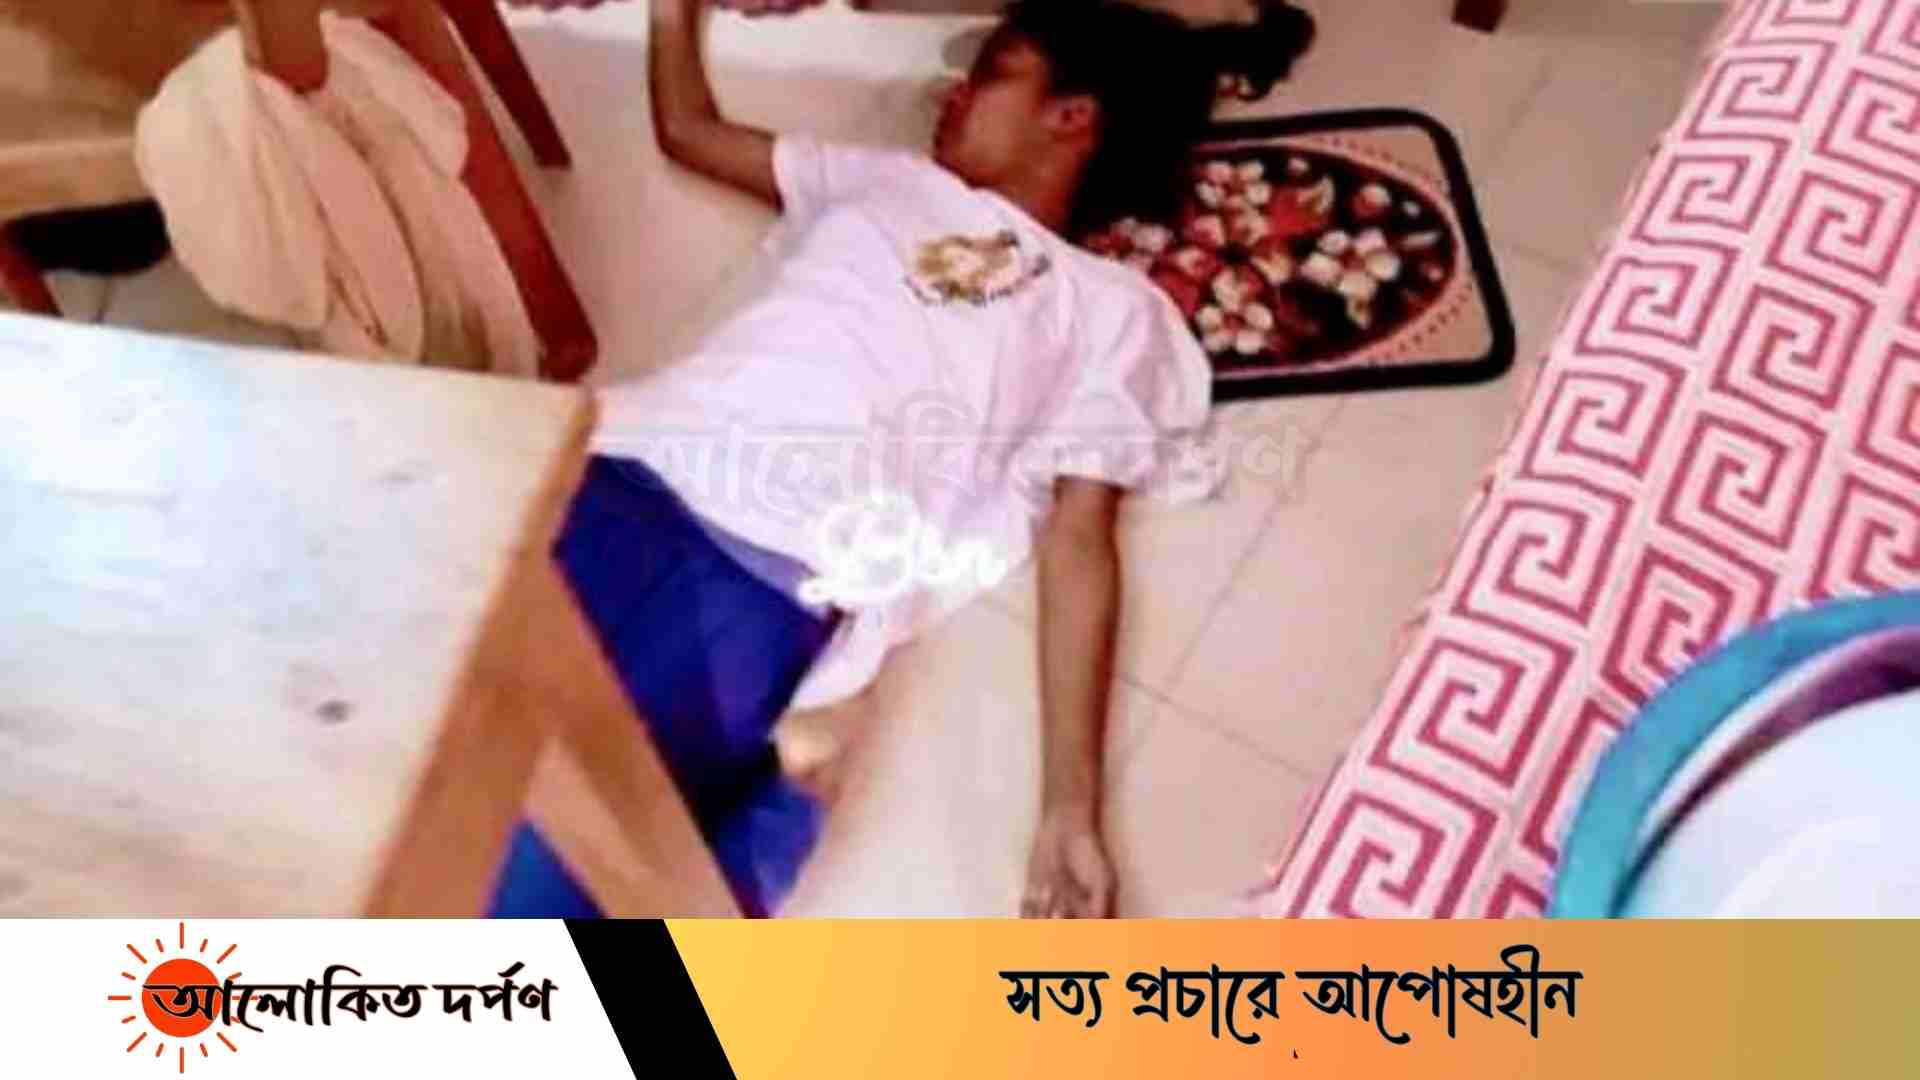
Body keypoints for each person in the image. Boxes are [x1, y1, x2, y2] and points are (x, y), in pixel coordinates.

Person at [489, 0, 1302, 919]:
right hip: (617, 467)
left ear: (1072, 115)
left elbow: (1079, 542)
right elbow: (691, 132)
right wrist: (674, 14)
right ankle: (782, 803)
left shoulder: (1108, 309)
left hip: (768, 571)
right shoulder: (887, 181)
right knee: (403, 743)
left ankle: (779, 804)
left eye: (992, 72)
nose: (953, 92)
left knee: (522, 891)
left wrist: (1068, 807)